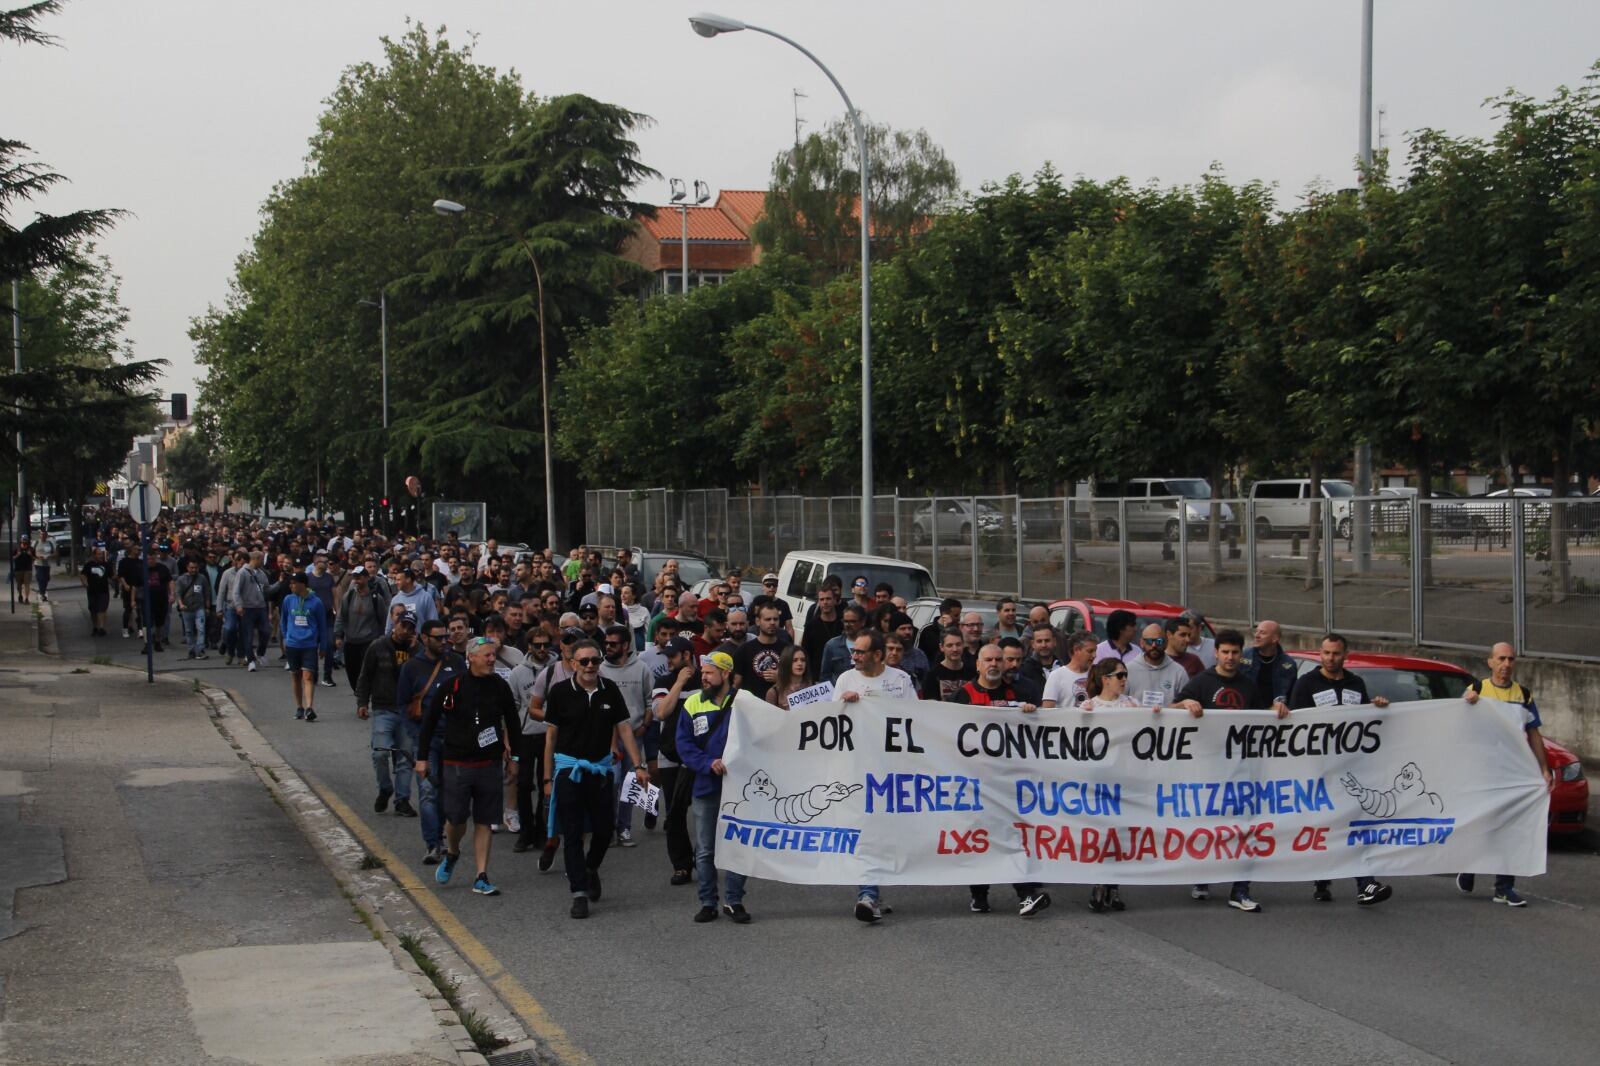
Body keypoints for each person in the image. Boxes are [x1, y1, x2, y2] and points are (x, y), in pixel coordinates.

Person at [1176, 628, 1288, 913]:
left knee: (1245, 830)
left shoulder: (1249, 686)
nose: (1229, 657)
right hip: (1207, 771)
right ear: (1216, 653)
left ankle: (1240, 889)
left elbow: (1263, 720)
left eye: (1235, 653)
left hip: (1242, 772)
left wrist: (1276, 708)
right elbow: (1171, 709)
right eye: (1224, 652)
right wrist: (1184, 703)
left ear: (1241, 654)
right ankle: (1203, 875)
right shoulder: (1200, 682)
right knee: (1208, 827)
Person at [542, 639, 649, 919]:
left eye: (595, 660)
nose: (591, 666)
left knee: (604, 829)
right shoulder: (560, 692)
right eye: (584, 661)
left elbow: (624, 728)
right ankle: (578, 893)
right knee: (573, 832)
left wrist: (638, 765)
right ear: (573, 663)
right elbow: (551, 737)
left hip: (600, 770)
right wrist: (546, 778)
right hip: (569, 770)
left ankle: (590, 868)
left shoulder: (609, 690)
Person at [1289, 633, 1393, 906]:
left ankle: (1365, 883)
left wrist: (1377, 708)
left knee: (1353, 823)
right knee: (1326, 825)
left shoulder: (1355, 683)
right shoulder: (1306, 683)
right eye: (1325, 653)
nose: (1330, 658)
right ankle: (1322, 879)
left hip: (1350, 768)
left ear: (1345, 655)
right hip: (1319, 769)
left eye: (1335, 653)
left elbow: (1363, 719)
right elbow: (1295, 726)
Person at [416, 637, 519, 898]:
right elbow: (429, 721)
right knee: (457, 819)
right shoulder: (453, 685)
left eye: (493, 655)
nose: (492, 659)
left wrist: (515, 758)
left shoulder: (499, 686)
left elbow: (513, 723)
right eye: (486, 655)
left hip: (489, 762)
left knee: (485, 821)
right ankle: (452, 852)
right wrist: (422, 757)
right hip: (457, 762)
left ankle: (481, 875)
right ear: (471, 657)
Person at [953, 643, 1047, 918]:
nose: (994, 664)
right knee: (980, 840)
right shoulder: (963, 696)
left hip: (1008, 782)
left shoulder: (1015, 694)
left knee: (1014, 836)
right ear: (979, 665)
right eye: (988, 660)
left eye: (998, 659)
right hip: (976, 782)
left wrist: (1030, 715)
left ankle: (1026, 895)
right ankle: (979, 895)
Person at [1457, 642, 1555, 908]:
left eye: (1511, 659)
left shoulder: (1523, 695)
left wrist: (1543, 769)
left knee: (1511, 827)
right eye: (1501, 658)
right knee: (1482, 823)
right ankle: (1468, 865)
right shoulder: (1477, 690)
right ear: (1490, 662)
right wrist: (1469, 703)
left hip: (1512, 773)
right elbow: (1460, 725)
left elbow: (1534, 733)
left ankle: (1504, 887)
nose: (1506, 664)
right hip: (1483, 772)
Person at [836, 630, 915, 924]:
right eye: (853, 651)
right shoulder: (846, 679)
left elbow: (915, 719)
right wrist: (843, 703)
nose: (854, 656)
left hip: (891, 769)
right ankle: (867, 894)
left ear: (878, 655)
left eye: (860, 652)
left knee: (884, 833)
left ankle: (875, 892)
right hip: (858, 768)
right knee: (865, 830)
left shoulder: (900, 680)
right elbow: (831, 722)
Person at [677, 651, 751, 923]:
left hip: (738, 788)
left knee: (737, 847)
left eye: (709, 672)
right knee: (706, 848)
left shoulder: (745, 703)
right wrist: (707, 763)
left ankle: (734, 900)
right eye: (703, 672)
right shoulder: (693, 703)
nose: (703, 677)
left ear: (725, 673)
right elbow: (684, 745)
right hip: (706, 786)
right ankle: (708, 902)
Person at [397, 619, 466, 865]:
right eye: (438, 637)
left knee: (449, 792)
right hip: (426, 740)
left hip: (454, 739)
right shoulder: (412, 667)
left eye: (445, 637)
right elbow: (403, 704)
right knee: (427, 791)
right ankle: (433, 844)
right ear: (425, 638)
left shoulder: (457, 663)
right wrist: (417, 737)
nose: (444, 641)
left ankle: (446, 837)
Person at [1080, 659, 1139, 913]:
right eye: (1119, 675)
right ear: (1105, 679)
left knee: (1120, 833)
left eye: (1125, 675)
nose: (1124, 679)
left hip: (1125, 777)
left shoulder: (1133, 705)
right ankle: (1098, 884)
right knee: (1102, 832)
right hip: (1099, 779)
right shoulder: (1089, 706)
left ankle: (1114, 887)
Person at [355, 613, 421, 818]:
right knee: (380, 752)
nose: (406, 631)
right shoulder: (378, 646)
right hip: (383, 707)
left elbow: (422, 674)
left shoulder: (416, 651)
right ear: (395, 624)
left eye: (411, 627)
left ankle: (402, 800)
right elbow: (365, 675)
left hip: (407, 711)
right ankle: (385, 787)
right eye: (404, 625)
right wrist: (362, 702)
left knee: (405, 757)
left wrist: (415, 650)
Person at [653, 636, 701, 885]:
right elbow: (661, 712)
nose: (668, 660)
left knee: (705, 810)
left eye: (672, 655)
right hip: (670, 755)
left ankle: (704, 860)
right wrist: (679, 683)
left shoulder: (706, 679)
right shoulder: (663, 681)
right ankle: (681, 865)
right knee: (674, 813)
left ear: (687, 655)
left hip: (699, 757)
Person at [600, 624, 651, 848]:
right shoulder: (599, 669)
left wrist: (644, 726)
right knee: (611, 780)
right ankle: (608, 828)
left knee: (631, 783)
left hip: (635, 735)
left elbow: (650, 702)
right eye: (606, 643)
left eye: (613, 644)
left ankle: (625, 828)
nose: (608, 647)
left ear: (626, 645)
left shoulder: (641, 668)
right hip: (607, 737)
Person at [280, 572, 328, 722]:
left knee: (308, 676)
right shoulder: (288, 600)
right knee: (295, 675)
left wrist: (323, 645)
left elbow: (322, 625)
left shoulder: (316, 602)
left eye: (294, 583)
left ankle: (309, 707)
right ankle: (299, 706)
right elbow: (284, 619)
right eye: (290, 583)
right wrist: (286, 636)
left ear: (303, 584)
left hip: (309, 644)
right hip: (293, 643)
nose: (291, 586)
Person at [335, 566, 389, 691]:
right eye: (354, 578)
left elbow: (383, 620)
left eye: (359, 578)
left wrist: (382, 640)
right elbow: (341, 616)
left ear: (366, 578)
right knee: (352, 671)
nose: (356, 580)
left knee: (367, 670)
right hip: (351, 641)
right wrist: (338, 635)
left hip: (369, 641)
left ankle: (365, 694)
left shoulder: (376, 599)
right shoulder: (348, 596)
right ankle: (358, 692)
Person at [1125, 623, 1191, 709]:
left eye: (1159, 641)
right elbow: (1118, 702)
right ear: (1141, 643)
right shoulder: (1128, 670)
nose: (1154, 645)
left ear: (1166, 643)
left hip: (1168, 721)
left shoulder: (1179, 672)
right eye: (1149, 641)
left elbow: (1185, 705)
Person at [732, 603, 788, 702]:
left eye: (775, 619)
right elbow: (736, 683)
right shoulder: (744, 650)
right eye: (768, 619)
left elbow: (798, 681)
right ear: (758, 621)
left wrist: (781, 679)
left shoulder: (788, 649)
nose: (772, 623)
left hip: (778, 708)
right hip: (750, 706)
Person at [1240, 619, 1298, 707]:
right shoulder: (1243, 656)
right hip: (1246, 712)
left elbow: (1291, 697)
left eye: (1262, 633)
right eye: (1256, 632)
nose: (1256, 635)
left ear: (1275, 638)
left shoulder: (1289, 664)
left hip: (1273, 717)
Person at [1042, 631, 1097, 708]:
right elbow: (1047, 710)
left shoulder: (1097, 673)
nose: (1094, 655)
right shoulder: (1056, 676)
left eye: (1095, 651)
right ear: (1076, 650)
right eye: (1090, 651)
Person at [922, 627, 975, 702]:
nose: (955, 649)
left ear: (963, 645)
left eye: (958, 644)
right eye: (950, 645)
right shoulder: (932, 675)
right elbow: (930, 706)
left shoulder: (972, 673)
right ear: (942, 647)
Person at [174, 557, 213, 660]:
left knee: (201, 629)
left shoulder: (202, 578)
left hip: (199, 608)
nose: (193, 570)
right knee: (189, 630)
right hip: (186, 609)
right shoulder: (181, 579)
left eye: (195, 568)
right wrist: (181, 604)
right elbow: (177, 593)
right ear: (187, 568)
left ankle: (200, 649)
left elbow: (207, 592)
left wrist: (207, 607)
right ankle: (191, 649)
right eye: (191, 568)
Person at [818, 604, 866, 685]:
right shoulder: (831, 645)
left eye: (852, 621)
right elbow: (824, 677)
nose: (848, 625)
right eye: (845, 621)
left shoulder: (871, 645)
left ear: (862, 622)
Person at [81, 547, 114, 636]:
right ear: (94, 555)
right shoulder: (89, 565)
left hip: (103, 591)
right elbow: (83, 575)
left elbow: (112, 576)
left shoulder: (106, 565)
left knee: (102, 609)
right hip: (92, 591)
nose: (101, 556)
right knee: (93, 610)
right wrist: (85, 582)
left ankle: (101, 628)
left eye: (102, 554)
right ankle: (95, 626)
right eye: (99, 554)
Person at [11, 537, 34, 605]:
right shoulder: (17, 549)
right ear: (21, 541)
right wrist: (17, 555)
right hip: (18, 569)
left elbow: (35, 558)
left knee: (27, 584)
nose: (24, 543)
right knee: (19, 585)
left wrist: (31, 555)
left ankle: (26, 598)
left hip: (28, 569)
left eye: (25, 541)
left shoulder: (31, 549)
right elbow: (12, 557)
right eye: (23, 541)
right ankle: (20, 595)